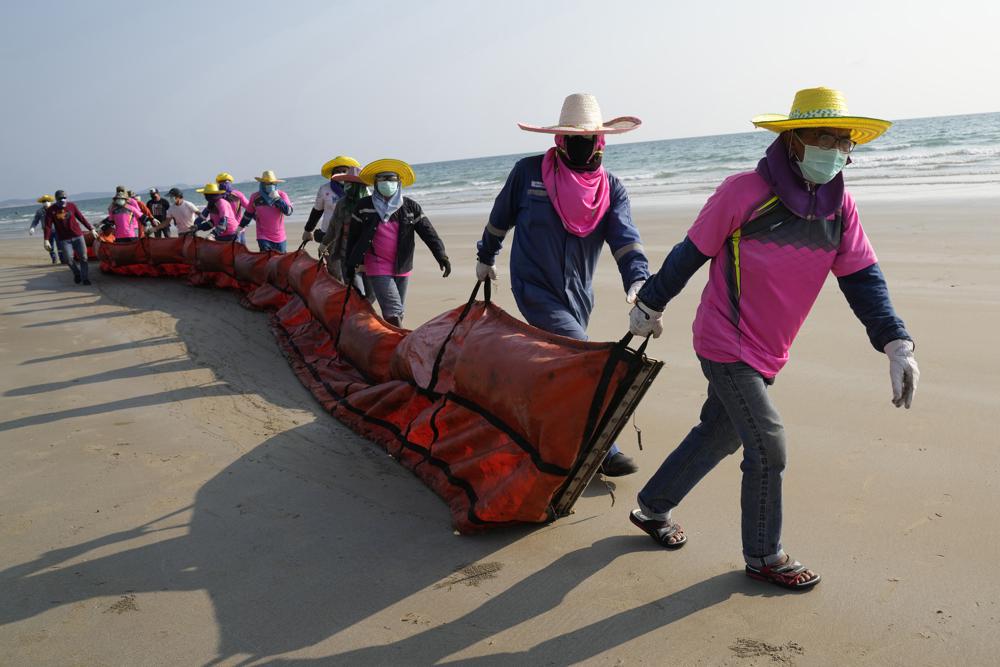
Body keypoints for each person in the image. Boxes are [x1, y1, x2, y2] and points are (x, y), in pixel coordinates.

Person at [627, 87, 920, 591]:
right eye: (822, 135)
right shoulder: (743, 193)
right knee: (768, 444)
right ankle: (763, 554)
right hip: (724, 339)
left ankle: (652, 508)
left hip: (770, 350)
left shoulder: (840, 208)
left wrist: (896, 343)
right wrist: (650, 304)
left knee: (719, 432)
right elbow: (690, 253)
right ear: (792, 140)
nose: (834, 147)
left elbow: (863, 279)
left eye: (843, 139)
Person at [474, 93, 650, 477]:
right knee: (586, 361)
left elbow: (625, 240)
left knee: (559, 367)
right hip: (534, 287)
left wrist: (639, 281)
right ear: (559, 139)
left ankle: (539, 430)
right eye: (575, 138)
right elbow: (499, 219)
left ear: (600, 142)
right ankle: (605, 449)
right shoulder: (529, 173)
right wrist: (485, 259)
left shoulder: (611, 189)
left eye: (590, 139)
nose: (583, 146)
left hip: (578, 294)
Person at [345, 159, 450, 327]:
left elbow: (428, 232)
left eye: (391, 180)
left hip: (402, 265)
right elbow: (353, 237)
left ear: (399, 183)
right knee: (393, 311)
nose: (387, 183)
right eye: (383, 179)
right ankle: (400, 346)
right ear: (375, 183)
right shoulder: (364, 206)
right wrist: (350, 264)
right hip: (376, 264)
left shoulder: (410, 207)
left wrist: (441, 255)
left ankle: (391, 341)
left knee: (399, 310)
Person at [317, 172, 370, 282]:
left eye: (350, 183)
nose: (346, 186)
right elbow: (333, 225)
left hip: (368, 255)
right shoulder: (342, 203)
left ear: (359, 186)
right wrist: (324, 243)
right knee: (353, 289)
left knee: (370, 294)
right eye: (346, 183)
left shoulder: (371, 204)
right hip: (345, 253)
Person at [303, 156, 362, 245]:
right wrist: (308, 230)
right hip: (328, 235)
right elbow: (317, 210)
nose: (341, 173)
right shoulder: (324, 189)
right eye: (337, 171)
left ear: (349, 172)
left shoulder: (360, 189)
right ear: (332, 174)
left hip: (352, 234)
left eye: (344, 171)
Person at [44, 190, 95, 285]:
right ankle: (77, 273)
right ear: (56, 199)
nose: (63, 200)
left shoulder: (72, 206)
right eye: (60, 199)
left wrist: (91, 229)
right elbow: (48, 226)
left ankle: (85, 278)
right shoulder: (51, 210)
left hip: (78, 236)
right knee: (68, 259)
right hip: (64, 239)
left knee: (83, 258)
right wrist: (46, 239)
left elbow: (81, 218)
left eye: (64, 198)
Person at [239, 170, 293, 253]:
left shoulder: (282, 195)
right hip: (263, 236)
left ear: (275, 184)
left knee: (280, 261)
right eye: (267, 183)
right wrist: (241, 226)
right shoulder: (255, 197)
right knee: (266, 260)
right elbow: (248, 214)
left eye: (271, 183)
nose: (269, 185)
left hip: (280, 237)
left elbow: (288, 212)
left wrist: (278, 199)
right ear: (262, 184)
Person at [215, 172, 249, 244]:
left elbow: (250, 208)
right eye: (222, 182)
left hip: (234, 230)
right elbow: (250, 208)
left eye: (226, 182)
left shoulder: (237, 195)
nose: (224, 184)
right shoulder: (217, 197)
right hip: (225, 231)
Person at [30, 194, 64, 263]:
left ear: (50, 201)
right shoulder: (39, 211)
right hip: (47, 232)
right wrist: (32, 227)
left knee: (60, 245)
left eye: (47, 201)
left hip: (57, 230)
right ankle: (54, 259)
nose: (46, 202)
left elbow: (62, 218)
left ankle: (62, 259)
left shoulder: (56, 208)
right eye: (44, 201)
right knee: (49, 246)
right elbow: (35, 220)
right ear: (42, 203)